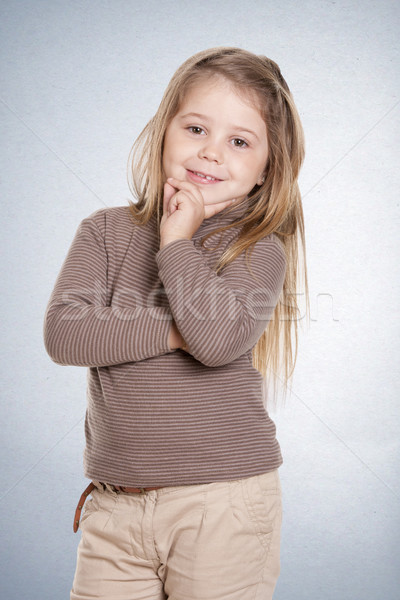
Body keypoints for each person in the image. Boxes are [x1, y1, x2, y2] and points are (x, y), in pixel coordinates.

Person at [43, 46, 308, 600]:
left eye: (239, 141)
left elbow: (215, 343)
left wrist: (176, 243)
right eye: (195, 128)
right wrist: (174, 329)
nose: (210, 154)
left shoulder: (259, 250)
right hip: (115, 506)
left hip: (223, 505)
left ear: (267, 170)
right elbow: (65, 333)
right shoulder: (106, 231)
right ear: (165, 131)